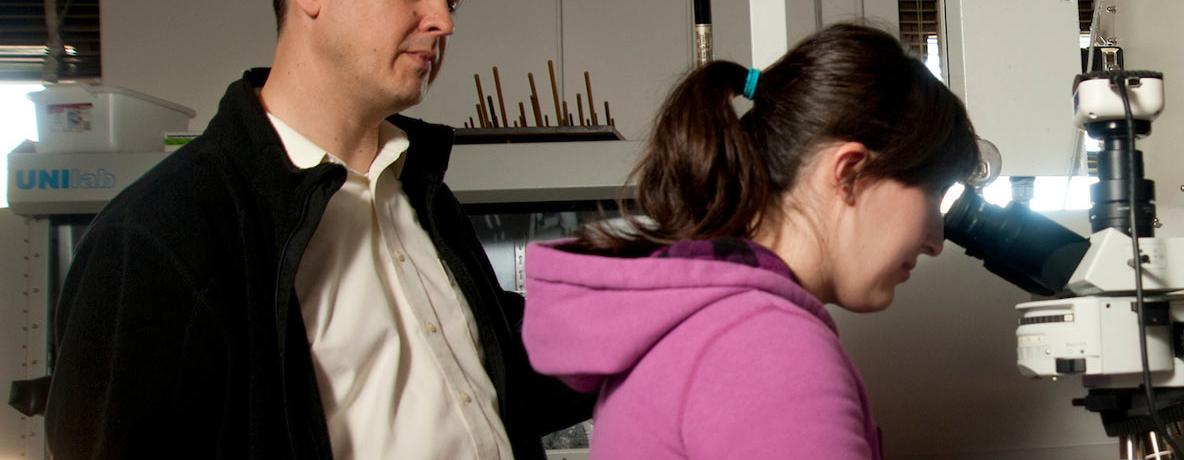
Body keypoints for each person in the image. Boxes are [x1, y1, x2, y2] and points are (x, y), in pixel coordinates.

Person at [45, 0, 592, 458]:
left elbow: (488, 373)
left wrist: (651, 308)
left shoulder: (420, 191)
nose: (443, 22)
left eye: (449, 0)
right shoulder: (156, 235)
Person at [521, 24, 979, 459]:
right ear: (850, 173)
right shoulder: (768, 348)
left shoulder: (715, 322)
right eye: (933, 193)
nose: (935, 241)